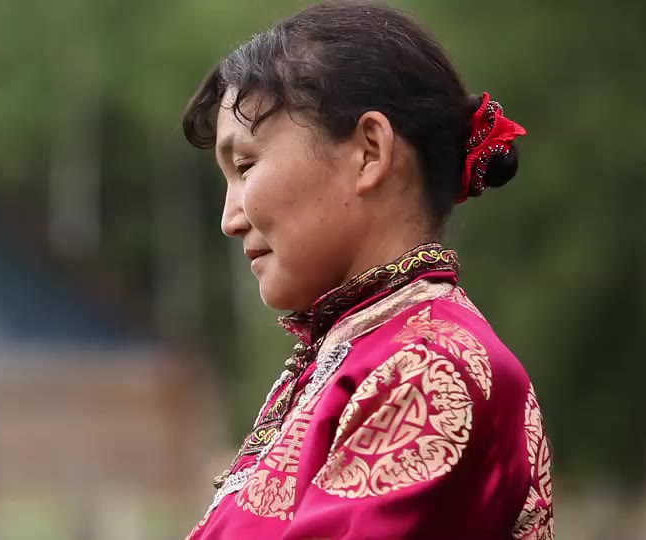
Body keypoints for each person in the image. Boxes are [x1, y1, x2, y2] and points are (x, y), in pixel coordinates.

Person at [180, 1, 552, 539]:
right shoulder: (364, 354)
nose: (229, 219)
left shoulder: (430, 369)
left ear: (369, 153)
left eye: (245, 166)